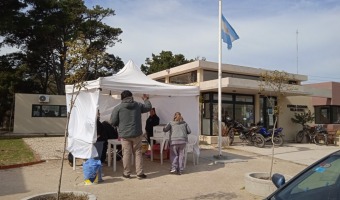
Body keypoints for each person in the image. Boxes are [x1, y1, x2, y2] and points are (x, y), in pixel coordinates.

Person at [110, 90, 152, 179]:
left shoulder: (118, 108)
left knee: (126, 154)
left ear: (122, 98)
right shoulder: (138, 105)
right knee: (138, 153)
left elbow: (113, 122)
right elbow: (148, 107)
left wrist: (119, 124)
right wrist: (145, 99)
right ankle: (140, 173)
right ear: (131, 96)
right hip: (137, 134)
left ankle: (126, 173)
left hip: (125, 135)